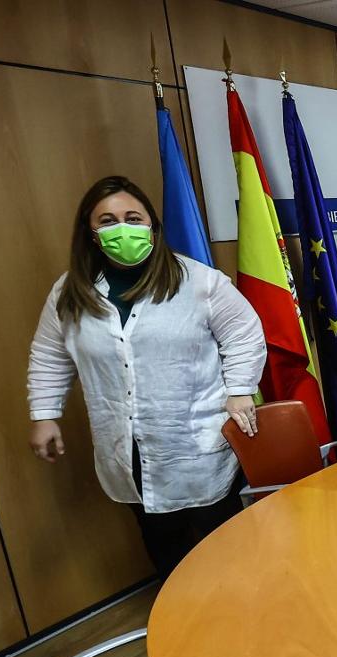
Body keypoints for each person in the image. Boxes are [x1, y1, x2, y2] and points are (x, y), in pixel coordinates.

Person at [27, 176, 266, 578]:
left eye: (132, 217)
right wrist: (45, 414)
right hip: (129, 452)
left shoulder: (199, 282)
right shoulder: (69, 293)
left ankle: (244, 621)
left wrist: (240, 390)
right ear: (90, 234)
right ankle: (184, 627)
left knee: (227, 551)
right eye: (107, 220)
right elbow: (50, 355)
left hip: (196, 446)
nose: (122, 227)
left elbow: (244, 333)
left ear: (152, 227)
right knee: (164, 549)